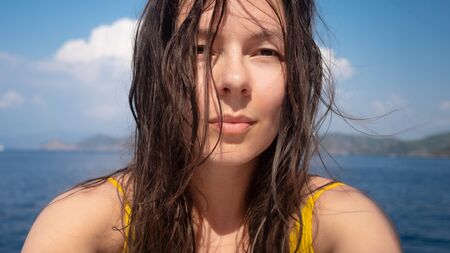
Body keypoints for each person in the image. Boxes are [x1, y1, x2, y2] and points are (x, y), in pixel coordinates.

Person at [22, 0, 402, 252]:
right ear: (158, 72)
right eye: (198, 49)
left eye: (266, 51)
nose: (234, 78)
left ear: (299, 76)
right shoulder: (79, 221)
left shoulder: (346, 224)